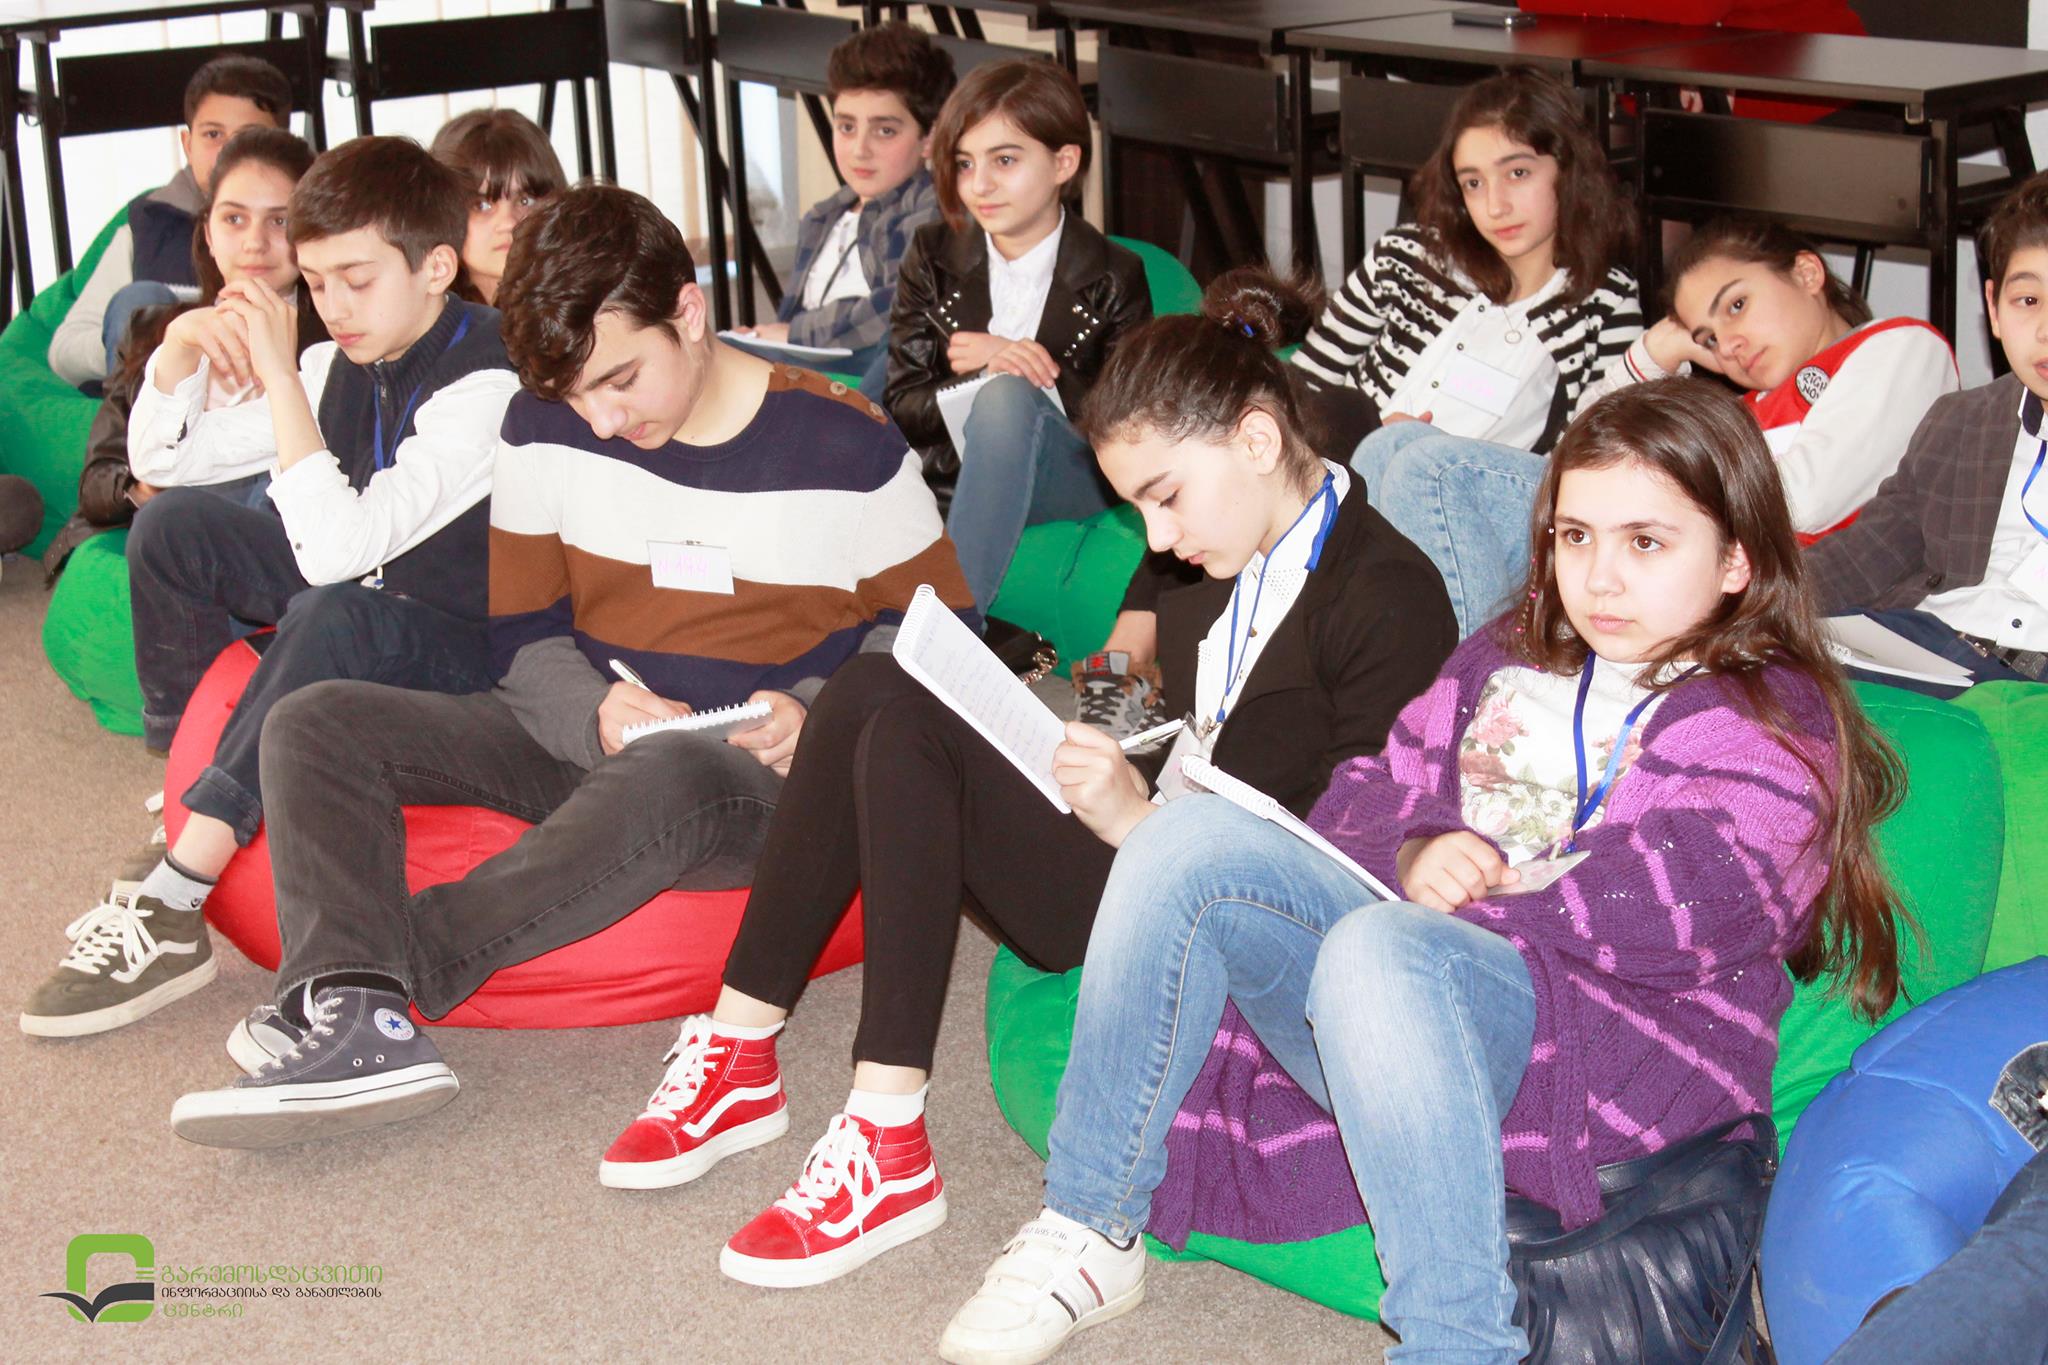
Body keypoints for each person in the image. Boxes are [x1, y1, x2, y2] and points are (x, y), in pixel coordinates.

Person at [941, 377, 1912, 1365]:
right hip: (1400, 1026)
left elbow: (1703, 889)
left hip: (1604, 1055)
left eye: (1646, 543)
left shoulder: (1768, 713)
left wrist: (1489, 891)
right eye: (1575, 537)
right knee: (1183, 839)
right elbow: (1367, 792)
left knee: (1384, 944)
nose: (1601, 579)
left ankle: (1454, 1345)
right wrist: (1417, 848)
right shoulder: (1507, 657)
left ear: (1736, 559)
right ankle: (1090, 1221)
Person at [591, 268, 1457, 1292]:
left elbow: (1348, 863)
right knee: (873, 689)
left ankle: (887, 1137)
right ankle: (742, 1044)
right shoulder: (1212, 538)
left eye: (1163, 499)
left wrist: (1139, 821)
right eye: (1138, 509)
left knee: (902, 729)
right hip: (1141, 820)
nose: (1159, 539)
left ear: (1259, 442)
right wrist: (1089, 733)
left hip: (1214, 910)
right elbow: (1134, 673)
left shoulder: (1388, 599)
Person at [163, 184, 975, 1149]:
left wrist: (818, 713)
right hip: (588, 732)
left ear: (689, 312)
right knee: (312, 720)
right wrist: (593, 712)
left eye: (621, 379)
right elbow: (524, 636)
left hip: (761, 779)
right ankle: (362, 1014)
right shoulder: (539, 422)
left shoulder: (849, 443)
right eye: (574, 393)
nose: (600, 419)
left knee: (673, 770)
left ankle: (379, 978)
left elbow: (940, 642)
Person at [19, 136, 519, 1039]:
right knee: (174, 528)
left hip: (467, 643)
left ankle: (179, 891)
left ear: (437, 267)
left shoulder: (486, 381)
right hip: (360, 593)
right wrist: (176, 355)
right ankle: (190, 784)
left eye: (356, 280)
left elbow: (337, 553)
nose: (333, 307)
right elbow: (166, 463)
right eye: (317, 282)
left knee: (333, 607)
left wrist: (283, 375)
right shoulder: (337, 362)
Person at [1365, 215, 1959, 634]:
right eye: (1709, 337)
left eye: (1737, 305)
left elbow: (1800, 500)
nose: (1728, 344)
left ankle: (1456, 696)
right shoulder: (1749, 408)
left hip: (1716, 560)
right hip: (1643, 532)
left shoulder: (1899, 345)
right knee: (1391, 445)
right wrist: (1659, 349)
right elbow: (1583, 445)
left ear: (1807, 273)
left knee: (1434, 469)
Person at [886, 58, 1152, 616]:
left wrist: (1023, 370)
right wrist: (988, 368)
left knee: (1007, 395)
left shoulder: (1113, 276)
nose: (979, 185)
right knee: (995, 388)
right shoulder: (932, 255)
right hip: (954, 470)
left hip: (1073, 472)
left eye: (1004, 160)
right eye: (965, 163)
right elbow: (903, 405)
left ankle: (950, 626)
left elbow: (1130, 421)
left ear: (1063, 163)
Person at [1290, 67, 1641, 463]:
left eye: (1518, 173)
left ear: (1568, 170)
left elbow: (1596, 459)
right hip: (1336, 468)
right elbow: (1300, 390)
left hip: (1469, 492)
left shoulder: (1605, 302)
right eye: (1474, 183)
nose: (1496, 206)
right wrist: (1368, 437)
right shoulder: (1406, 257)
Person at [41, 127, 326, 583]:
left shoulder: (337, 343)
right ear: (208, 233)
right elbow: (98, 482)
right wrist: (153, 483)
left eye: (280, 221)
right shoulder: (160, 331)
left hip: (279, 544)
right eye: (234, 219)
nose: (254, 242)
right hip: (167, 532)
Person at [1806, 172, 2048, 687]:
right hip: (1933, 646)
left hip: (2032, 685)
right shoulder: (1962, 421)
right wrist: (1740, 598)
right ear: (1994, 308)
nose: (2046, 330)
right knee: (1750, 677)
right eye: (2028, 301)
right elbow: (1867, 554)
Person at [727, 20, 952, 395]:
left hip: (870, 378)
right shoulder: (823, 217)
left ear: (929, 138)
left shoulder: (927, 210)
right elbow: (790, 323)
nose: (860, 149)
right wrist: (761, 340)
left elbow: (897, 308)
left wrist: (796, 333)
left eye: (885, 131)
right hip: (810, 369)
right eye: (846, 127)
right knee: (716, 350)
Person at [49, 54, 293, 389]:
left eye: (249, 136)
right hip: (158, 397)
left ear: (282, 144)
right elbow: (65, 351)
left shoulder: (312, 225)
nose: (228, 150)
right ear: (187, 145)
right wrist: (151, 338)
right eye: (213, 134)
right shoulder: (147, 226)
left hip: (276, 387)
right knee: (138, 301)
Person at [429, 108, 566, 307]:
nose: (508, 223)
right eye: (481, 205)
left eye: (525, 201)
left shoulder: (595, 311)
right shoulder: (419, 319)